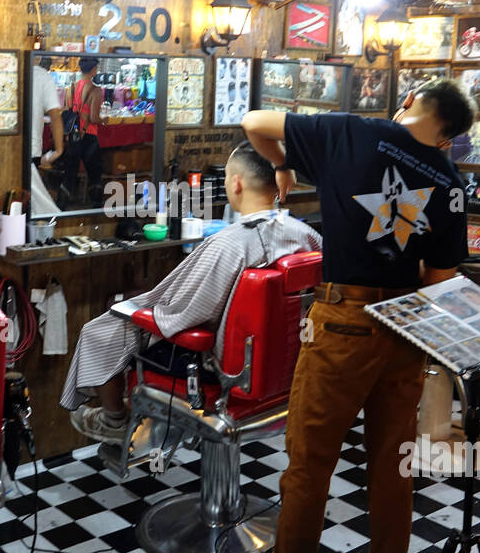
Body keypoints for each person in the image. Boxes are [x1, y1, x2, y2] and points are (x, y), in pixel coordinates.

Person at [238, 78, 475, 553]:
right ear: (448, 137)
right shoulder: (450, 180)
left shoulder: (349, 132)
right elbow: (440, 278)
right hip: (405, 325)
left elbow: (254, 123)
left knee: (311, 455)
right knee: (394, 462)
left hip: (344, 319)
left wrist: (280, 166)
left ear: (410, 102)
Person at [61, 143, 322, 442]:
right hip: (287, 365)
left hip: (216, 366)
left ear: (236, 183)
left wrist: (141, 308)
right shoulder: (305, 234)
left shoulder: (229, 244)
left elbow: (184, 312)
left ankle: (114, 420)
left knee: (101, 329)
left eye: (226, 177)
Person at [56, 57, 104, 207]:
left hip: (74, 134)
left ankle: (61, 205)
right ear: (93, 70)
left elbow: (69, 111)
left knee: (70, 172)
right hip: (89, 135)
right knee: (94, 173)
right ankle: (95, 207)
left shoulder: (71, 87)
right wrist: (104, 120)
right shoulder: (95, 90)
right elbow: (94, 117)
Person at [29, 57, 66, 216]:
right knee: (33, 205)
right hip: (31, 148)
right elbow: (55, 115)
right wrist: (58, 151)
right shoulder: (41, 76)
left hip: (4, 147)